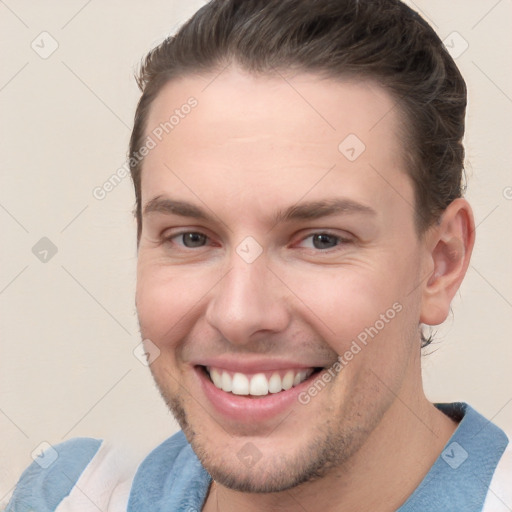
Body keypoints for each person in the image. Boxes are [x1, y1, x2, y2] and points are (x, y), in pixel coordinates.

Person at [7, 0, 511, 510]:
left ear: (440, 264)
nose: (239, 314)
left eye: (322, 240)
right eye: (191, 238)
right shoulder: (72, 496)